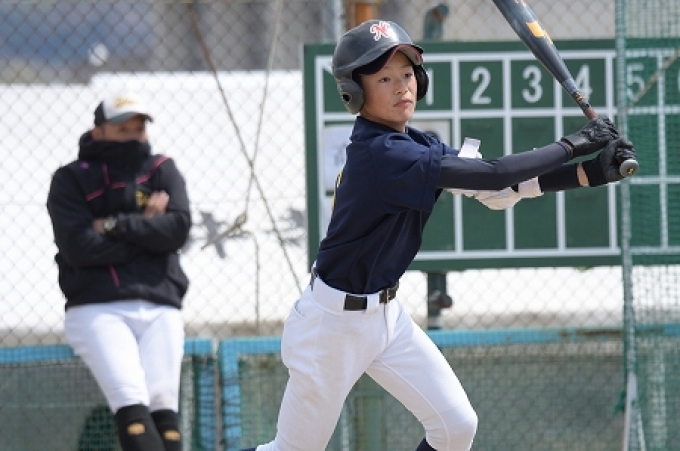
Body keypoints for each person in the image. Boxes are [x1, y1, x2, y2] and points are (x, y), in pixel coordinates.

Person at [241, 20, 636, 451]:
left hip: (386, 318)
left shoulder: (415, 144)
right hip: (331, 328)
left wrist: (589, 172)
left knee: (456, 427)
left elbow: (498, 188)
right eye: (384, 79)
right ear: (355, 92)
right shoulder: (382, 155)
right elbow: (496, 174)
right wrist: (574, 144)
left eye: (407, 74)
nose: (401, 86)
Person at [46, 92, 192, 451]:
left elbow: (177, 229)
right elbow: (79, 248)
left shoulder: (161, 169)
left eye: (138, 128)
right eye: (122, 128)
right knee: (131, 402)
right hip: (98, 306)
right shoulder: (70, 178)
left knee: (165, 412)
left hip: (160, 303)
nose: (133, 136)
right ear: (98, 131)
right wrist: (147, 231)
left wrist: (112, 226)